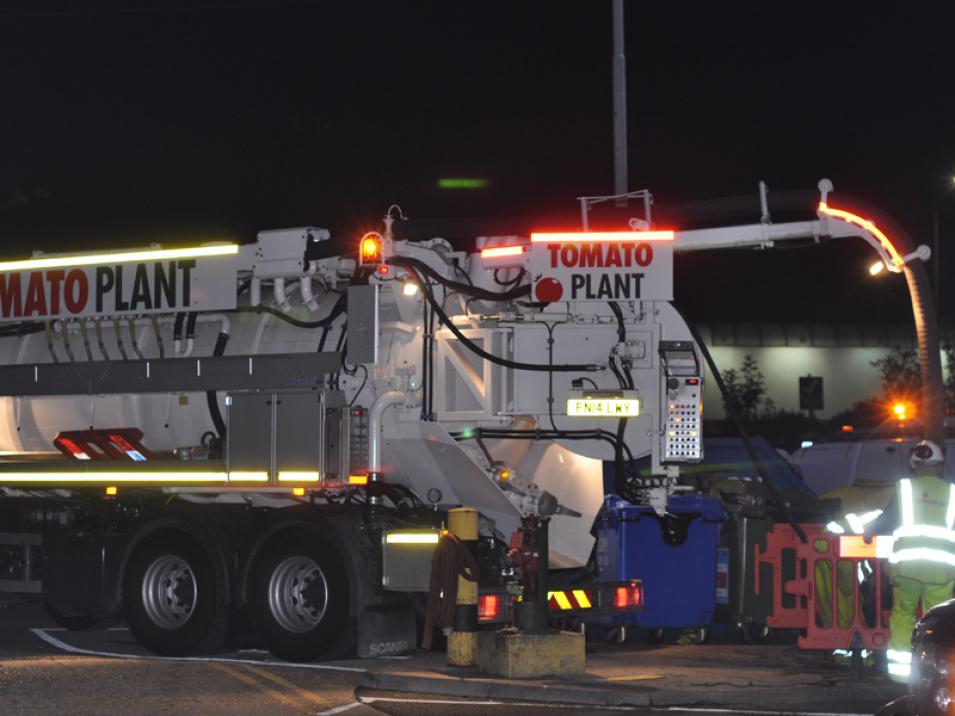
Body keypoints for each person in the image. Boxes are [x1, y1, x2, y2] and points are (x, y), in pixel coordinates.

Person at [867, 440, 955, 681]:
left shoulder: (904, 488)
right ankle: (937, 674)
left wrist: (867, 531)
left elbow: (886, 520)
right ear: (939, 465)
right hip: (941, 570)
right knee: (938, 621)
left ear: (914, 465)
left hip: (906, 568)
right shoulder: (952, 492)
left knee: (903, 615)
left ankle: (901, 675)